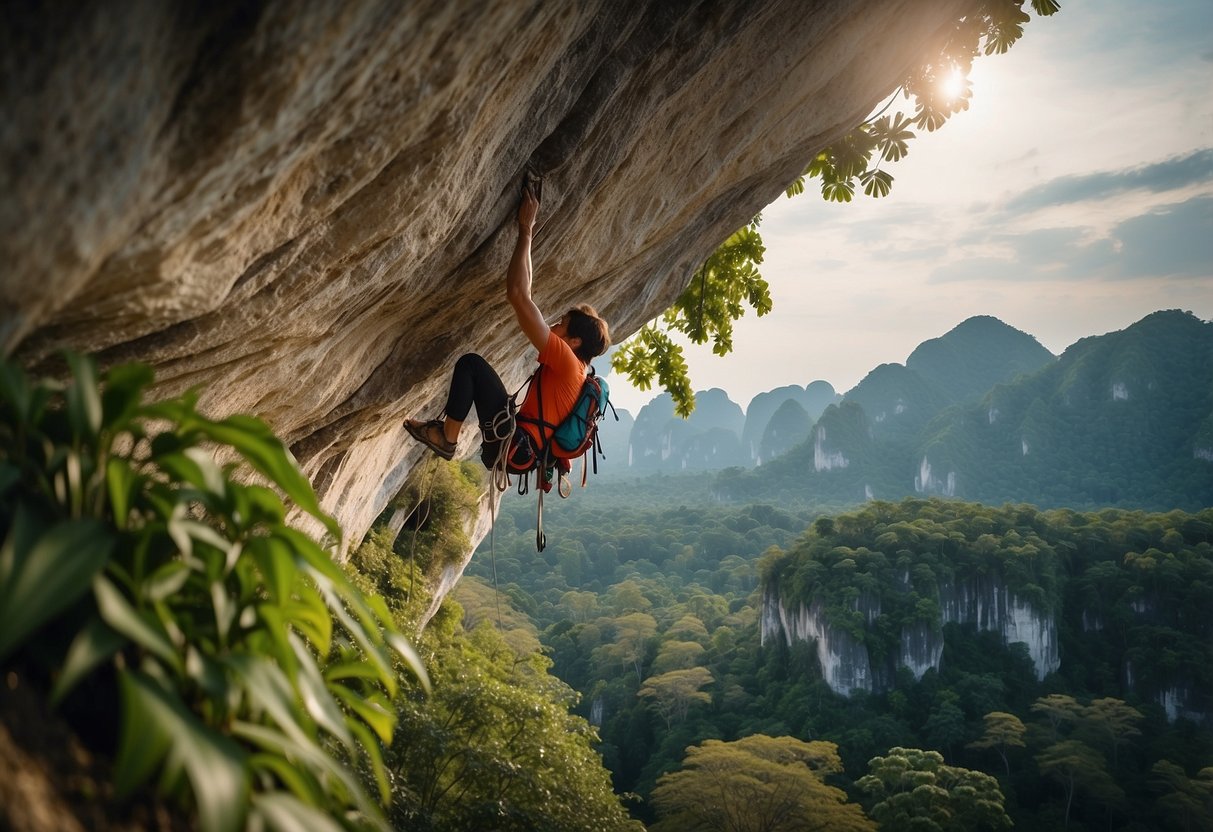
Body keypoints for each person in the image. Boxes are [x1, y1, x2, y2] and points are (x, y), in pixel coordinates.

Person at [405, 179, 610, 471]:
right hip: (519, 448)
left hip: (513, 443)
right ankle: (446, 435)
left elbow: (518, 295)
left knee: (471, 365)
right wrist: (526, 240)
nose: (553, 324)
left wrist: (525, 230)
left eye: (561, 324)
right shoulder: (580, 372)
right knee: (474, 368)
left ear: (574, 341)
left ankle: (446, 438)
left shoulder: (567, 361)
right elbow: (524, 293)